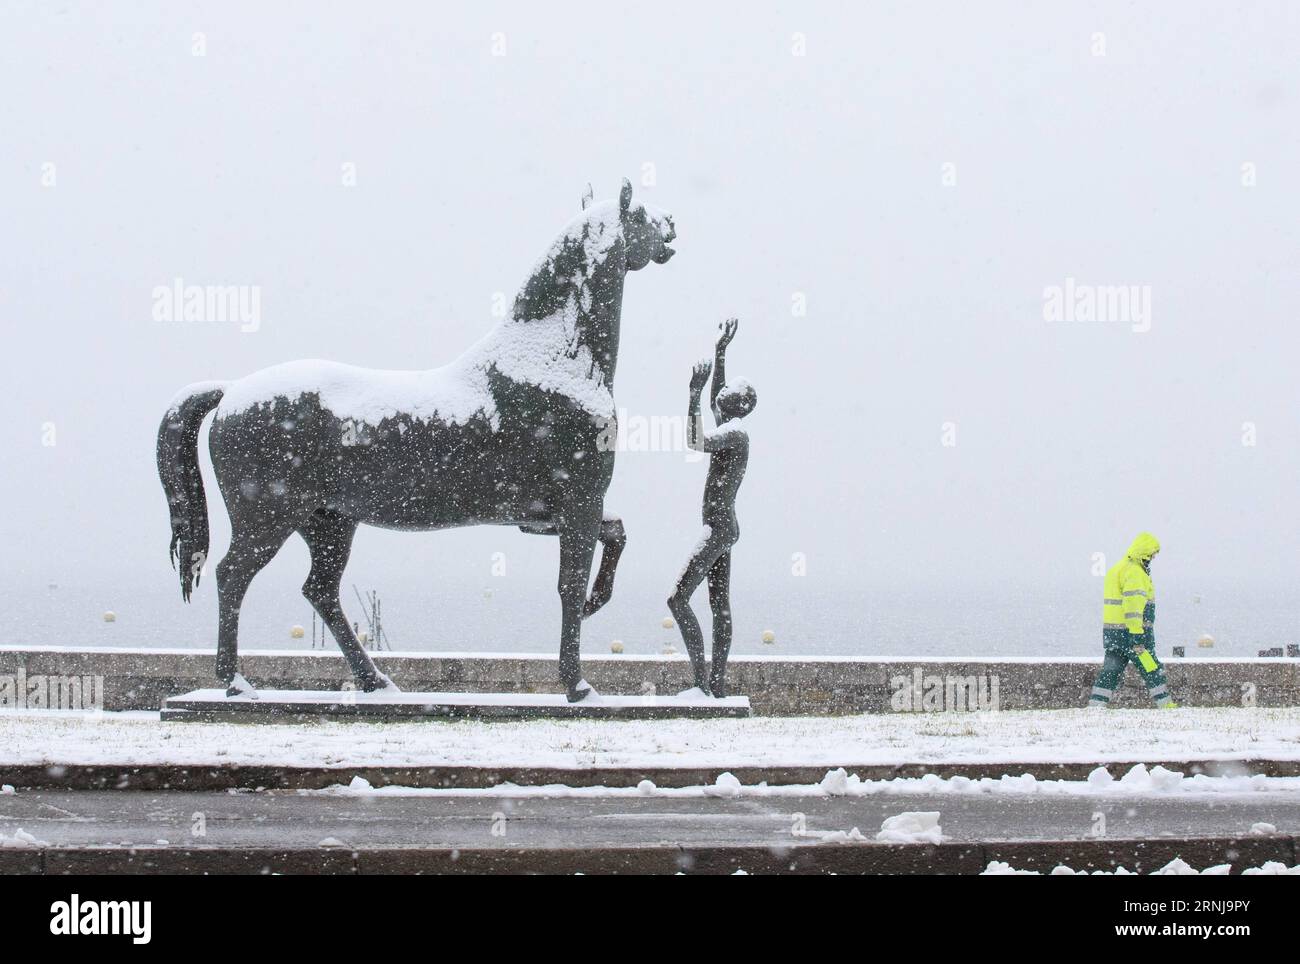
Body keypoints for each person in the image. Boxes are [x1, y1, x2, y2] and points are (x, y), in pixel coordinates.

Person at [668, 319, 757, 697]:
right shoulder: (733, 427)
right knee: (719, 606)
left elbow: (696, 441)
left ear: (737, 405)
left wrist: (691, 396)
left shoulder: (735, 434)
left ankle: (704, 684)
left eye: (729, 393)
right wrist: (721, 351)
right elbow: (716, 394)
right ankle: (714, 686)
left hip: (719, 528)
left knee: (678, 598)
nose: (722, 393)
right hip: (722, 526)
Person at [1088, 532, 1177, 709]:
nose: (1154, 557)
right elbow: (1133, 608)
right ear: (1145, 553)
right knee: (1152, 669)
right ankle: (1165, 704)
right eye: (1153, 554)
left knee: (1110, 672)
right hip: (1133, 634)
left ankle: (1095, 705)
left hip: (1113, 633)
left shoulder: (1117, 568)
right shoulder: (1136, 573)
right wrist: (1137, 636)